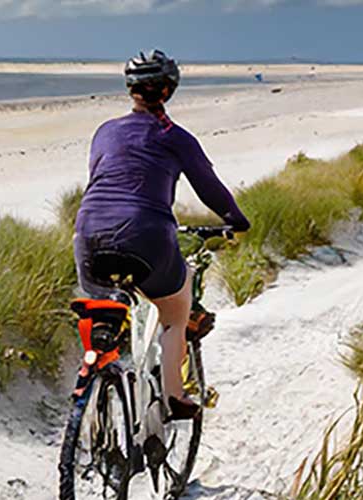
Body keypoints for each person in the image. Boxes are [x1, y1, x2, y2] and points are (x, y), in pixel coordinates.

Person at [74, 50, 251, 422]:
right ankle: (173, 395)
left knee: (106, 304)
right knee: (175, 309)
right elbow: (210, 188)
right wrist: (236, 219)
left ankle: (97, 392)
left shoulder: (104, 131)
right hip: (147, 233)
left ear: (131, 89)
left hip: (87, 232)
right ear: (169, 91)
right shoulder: (176, 137)